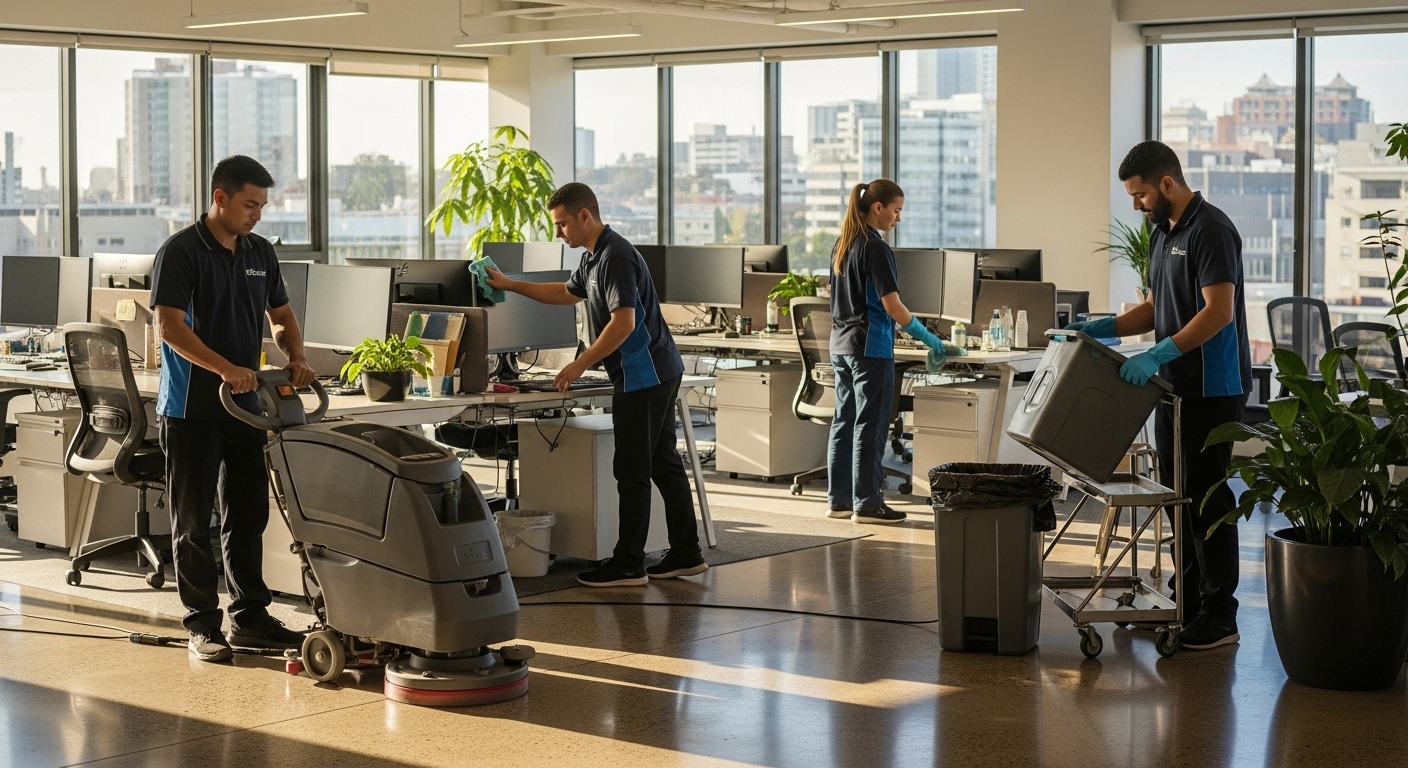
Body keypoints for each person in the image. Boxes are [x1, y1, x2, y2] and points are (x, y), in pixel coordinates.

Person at [1066, 140, 1251, 650]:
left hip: (1212, 388)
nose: (1136, 205)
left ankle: (1221, 617)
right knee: (1178, 500)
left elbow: (1218, 311)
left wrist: (1159, 352)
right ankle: (1185, 602)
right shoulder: (1161, 230)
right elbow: (1155, 305)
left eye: (1141, 194)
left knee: (1206, 502)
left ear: (1167, 184)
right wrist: (1103, 328)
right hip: (1172, 388)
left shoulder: (1211, 230)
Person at [484, 182, 705, 587]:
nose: (558, 233)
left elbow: (624, 323)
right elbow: (567, 293)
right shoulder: (594, 257)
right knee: (662, 465)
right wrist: (511, 284)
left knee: (633, 471)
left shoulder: (615, 257)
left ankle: (628, 565)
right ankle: (687, 554)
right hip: (656, 369)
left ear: (585, 215)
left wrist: (578, 364)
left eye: (562, 224)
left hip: (645, 373)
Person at [150, 155, 316, 662]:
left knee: (247, 518)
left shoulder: (260, 252)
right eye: (249, 204)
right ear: (219, 197)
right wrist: (224, 368)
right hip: (191, 409)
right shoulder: (180, 251)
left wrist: (297, 356)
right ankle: (202, 625)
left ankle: (250, 617)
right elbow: (169, 326)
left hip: (248, 407)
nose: (257, 215)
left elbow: (281, 313)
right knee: (193, 522)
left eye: (263, 206)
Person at [827, 179, 955, 524]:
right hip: (870, 347)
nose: (899, 218)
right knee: (870, 425)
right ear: (878, 208)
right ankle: (867, 505)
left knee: (844, 421)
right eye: (896, 211)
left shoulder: (844, 243)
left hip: (840, 346)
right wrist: (927, 337)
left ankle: (839, 501)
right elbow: (893, 306)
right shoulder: (875, 248)